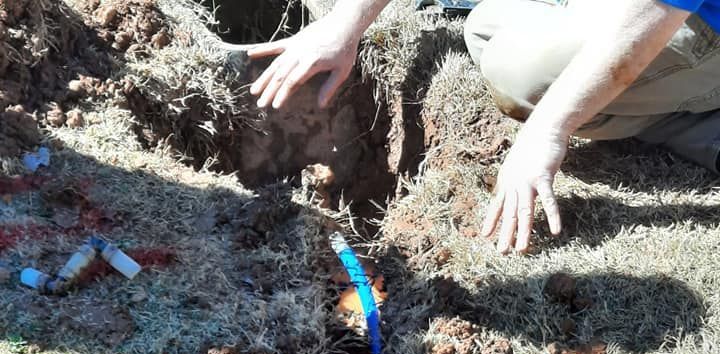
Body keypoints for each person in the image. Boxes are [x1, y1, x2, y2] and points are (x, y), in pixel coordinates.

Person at [243, 0, 720, 253]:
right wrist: (345, 26)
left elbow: (652, 13)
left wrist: (546, 130)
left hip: (693, 21)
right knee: (485, 24)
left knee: (521, 77)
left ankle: (701, 122)